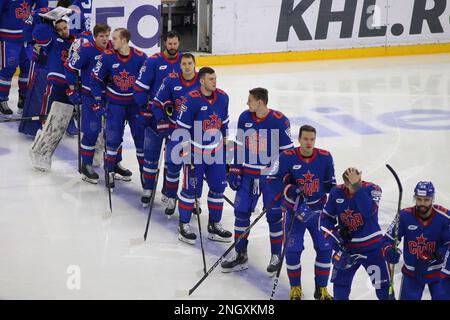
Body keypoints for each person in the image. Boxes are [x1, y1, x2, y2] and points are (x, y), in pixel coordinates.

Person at [220, 88, 293, 277]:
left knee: (274, 216)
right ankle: (240, 253)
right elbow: (239, 145)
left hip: (271, 177)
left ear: (260, 102)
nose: (247, 103)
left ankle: (276, 256)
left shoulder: (279, 120)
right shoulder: (245, 117)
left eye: (250, 100)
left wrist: (287, 177)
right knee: (241, 212)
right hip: (249, 174)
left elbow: (288, 152)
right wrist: (235, 168)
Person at [263, 125, 335, 299]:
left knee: (325, 249)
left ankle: (321, 289)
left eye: (312, 139)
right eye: (305, 139)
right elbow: (272, 179)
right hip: (294, 211)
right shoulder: (287, 157)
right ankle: (295, 288)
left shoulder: (325, 157)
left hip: (317, 211)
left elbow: (330, 184)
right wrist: (289, 189)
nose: (309, 143)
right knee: (293, 250)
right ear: (299, 139)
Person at [64, 23, 132, 184]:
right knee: (91, 131)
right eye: (101, 36)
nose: (105, 38)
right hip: (90, 97)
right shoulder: (86, 49)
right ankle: (86, 166)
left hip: (111, 97)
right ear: (95, 37)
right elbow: (69, 66)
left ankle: (115, 163)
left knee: (115, 132)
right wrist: (72, 90)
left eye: (107, 35)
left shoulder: (114, 48)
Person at [175, 66, 232, 245]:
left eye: (215, 78)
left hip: (216, 153)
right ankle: (183, 225)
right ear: (201, 81)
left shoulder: (223, 97)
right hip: (195, 153)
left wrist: (227, 150)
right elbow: (181, 129)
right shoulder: (190, 100)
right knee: (190, 191)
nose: (214, 82)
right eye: (210, 79)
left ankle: (214, 224)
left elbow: (224, 125)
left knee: (218, 188)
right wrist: (186, 154)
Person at [90, 28, 147, 191]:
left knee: (141, 141)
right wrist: (97, 101)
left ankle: (145, 175)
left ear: (124, 40)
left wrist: (147, 104)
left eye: (114, 38)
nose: (111, 41)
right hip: (115, 104)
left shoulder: (141, 57)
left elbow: (148, 82)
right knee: (113, 139)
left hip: (135, 105)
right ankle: (109, 170)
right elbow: (94, 79)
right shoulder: (107, 57)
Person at [29, 12, 87, 171]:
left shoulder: (78, 42)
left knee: (65, 123)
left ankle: (87, 158)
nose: (63, 31)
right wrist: (47, 21)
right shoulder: (53, 40)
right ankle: (39, 154)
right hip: (55, 83)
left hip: (72, 86)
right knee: (48, 120)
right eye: (59, 29)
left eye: (65, 28)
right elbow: (38, 34)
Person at [321, 168, 390, 300]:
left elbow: (368, 211)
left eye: (356, 183)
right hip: (347, 250)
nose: (352, 187)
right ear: (345, 184)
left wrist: (358, 188)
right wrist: (336, 238)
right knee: (340, 288)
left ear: (360, 178)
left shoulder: (373, 189)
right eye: (350, 185)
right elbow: (325, 220)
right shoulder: (337, 192)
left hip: (373, 250)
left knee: (383, 289)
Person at [133, 30, 182, 207]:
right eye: (169, 44)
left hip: (176, 122)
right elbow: (139, 88)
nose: (172, 47)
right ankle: (148, 189)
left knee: (171, 160)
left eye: (175, 43)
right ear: (164, 44)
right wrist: (145, 109)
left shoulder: (184, 61)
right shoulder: (153, 61)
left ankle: (168, 192)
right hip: (155, 119)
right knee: (151, 158)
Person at [382, 181, 450, 300]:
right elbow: (386, 241)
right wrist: (388, 251)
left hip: (438, 273)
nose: (422, 203)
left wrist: (435, 255)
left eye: (426, 200)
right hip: (412, 274)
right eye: (419, 199)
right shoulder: (404, 215)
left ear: (432, 199)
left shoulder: (444, 217)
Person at [152, 53, 200, 215]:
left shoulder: (202, 80)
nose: (187, 66)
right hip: (176, 132)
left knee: (194, 168)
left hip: (197, 135)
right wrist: (161, 121)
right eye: (184, 64)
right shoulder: (170, 80)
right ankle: (171, 197)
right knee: (173, 167)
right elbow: (157, 103)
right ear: (180, 66)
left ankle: (193, 197)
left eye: (190, 63)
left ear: (195, 64)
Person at [0, 0, 48, 115]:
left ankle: (24, 98)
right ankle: (1, 100)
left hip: (27, 36)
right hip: (8, 36)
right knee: (8, 68)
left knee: (27, 68)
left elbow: (42, 7)